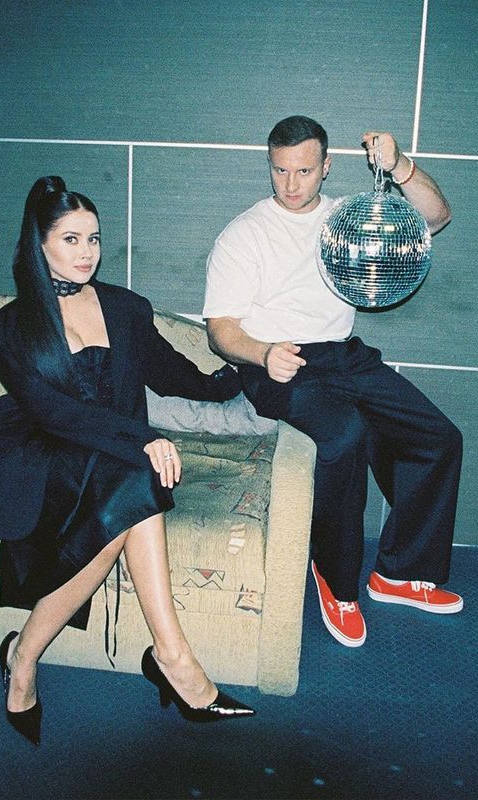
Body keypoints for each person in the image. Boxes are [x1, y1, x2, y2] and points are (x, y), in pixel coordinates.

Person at [0, 175, 255, 745]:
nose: (87, 253)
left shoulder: (126, 308)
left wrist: (233, 379)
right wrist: (142, 439)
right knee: (133, 477)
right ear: (40, 245)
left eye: (94, 239)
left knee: (128, 484)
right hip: (39, 449)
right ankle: (127, 660)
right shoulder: (7, 329)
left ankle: (144, 657)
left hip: (113, 450)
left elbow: (169, 371)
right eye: (71, 239)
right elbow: (53, 413)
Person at [203, 115, 463, 649]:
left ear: (326, 167)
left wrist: (399, 166)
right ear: (269, 165)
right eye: (280, 170)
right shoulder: (244, 233)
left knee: (439, 438)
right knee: (344, 437)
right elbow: (220, 330)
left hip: (343, 355)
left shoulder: (348, 218)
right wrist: (262, 353)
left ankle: (398, 574)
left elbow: (436, 216)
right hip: (276, 360)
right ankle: (335, 578)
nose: (291, 184)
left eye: (303, 171)